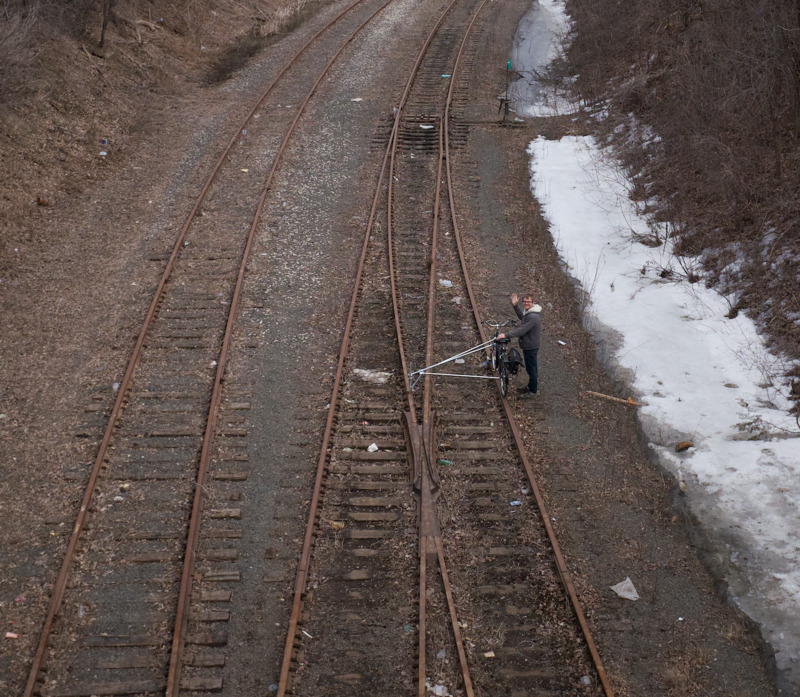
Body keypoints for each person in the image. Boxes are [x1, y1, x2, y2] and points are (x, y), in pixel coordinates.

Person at [497, 293, 541, 397]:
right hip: (528, 345)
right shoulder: (529, 313)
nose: (526, 303)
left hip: (531, 346)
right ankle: (530, 387)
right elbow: (522, 317)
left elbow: (522, 330)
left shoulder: (534, 316)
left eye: (528, 301)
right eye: (524, 301)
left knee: (532, 369)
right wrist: (515, 305)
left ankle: (533, 391)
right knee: (530, 368)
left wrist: (506, 334)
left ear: (533, 303)